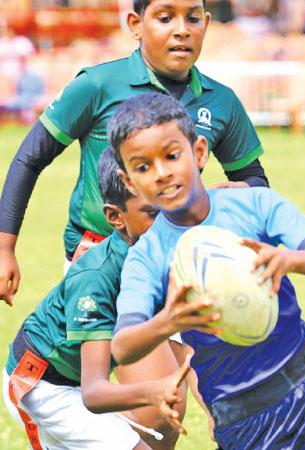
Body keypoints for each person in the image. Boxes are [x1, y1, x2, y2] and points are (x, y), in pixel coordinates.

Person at [108, 92, 305, 449]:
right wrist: (169, 321)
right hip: (241, 421)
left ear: (198, 152)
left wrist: (291, 259)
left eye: (171, 155)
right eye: (143, 166)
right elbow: (122, 347)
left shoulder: (255, 203)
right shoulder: (146, 257)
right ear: (130, 182)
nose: (162, 173)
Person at [0, 0, 270, 306]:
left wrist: (228, 194)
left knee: (179, 354)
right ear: (135, 25)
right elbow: (30, 158)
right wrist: (4, 249)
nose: (181, 30)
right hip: (96, 262)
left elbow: (254, 179)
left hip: (175, 265)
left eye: (192, 19)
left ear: (206, 24)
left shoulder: (221, 101)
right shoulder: (97, 85)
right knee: (101, 354)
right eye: (165, 18)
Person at [2, 148, 191, 450]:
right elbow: (94, 392)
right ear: (115, 216)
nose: (169, 221)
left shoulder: (159, 254)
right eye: (153, 212)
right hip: (40, 384)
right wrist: (151, 391)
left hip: (71, 380)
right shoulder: (95, 279)